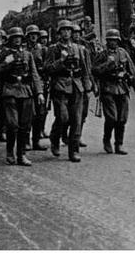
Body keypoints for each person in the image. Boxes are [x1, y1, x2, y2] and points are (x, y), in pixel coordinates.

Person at [0, 27, 44, 166]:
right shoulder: (5, 53)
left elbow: (34, 74)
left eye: (20, 37)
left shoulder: (28, 54)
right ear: (10, 39)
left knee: (25, 125)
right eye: (15, 37)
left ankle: (21, 154)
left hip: (26, 91)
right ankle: (10, 152)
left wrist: (39, 92)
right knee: (12, 124)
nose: (17, 39)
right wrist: (7, 63)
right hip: (10, 91)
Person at [45, 20, 92, 162]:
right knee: (63, 117)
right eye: (63, 30)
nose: (66, 33)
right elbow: (47, 68)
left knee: (76, 120)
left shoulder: (79, 48)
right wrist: (61, 61)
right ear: (59, 33)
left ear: (72, 32)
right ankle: (55, 137)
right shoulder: (53, 49)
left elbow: (85, 68)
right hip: (60, 86)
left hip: (77, 86)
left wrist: (87, 85)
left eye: (69, 30)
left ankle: (74, 151)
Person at [92, 28, 135, 155]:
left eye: (115, 40)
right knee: (111, 118)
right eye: (110, 40)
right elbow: (95, 70)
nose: (113, 43)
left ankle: (119, 144)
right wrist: (107, 64)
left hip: (122, 88)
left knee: (122, 119)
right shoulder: (102, 54)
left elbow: (132, 70)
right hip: (108, 89)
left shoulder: (123, 53)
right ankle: (107, 140)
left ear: (118, 41)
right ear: (107, 41)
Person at [25, 24, 47, 151]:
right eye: (31, 34)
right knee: (28, 113)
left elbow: (47, 65)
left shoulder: (42, 49)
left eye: (35, 34)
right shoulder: (23, 49)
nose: (33, 36)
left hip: (40, 83)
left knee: (40, 113)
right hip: (27, 83)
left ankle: (36, 140)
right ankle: (26, 140)